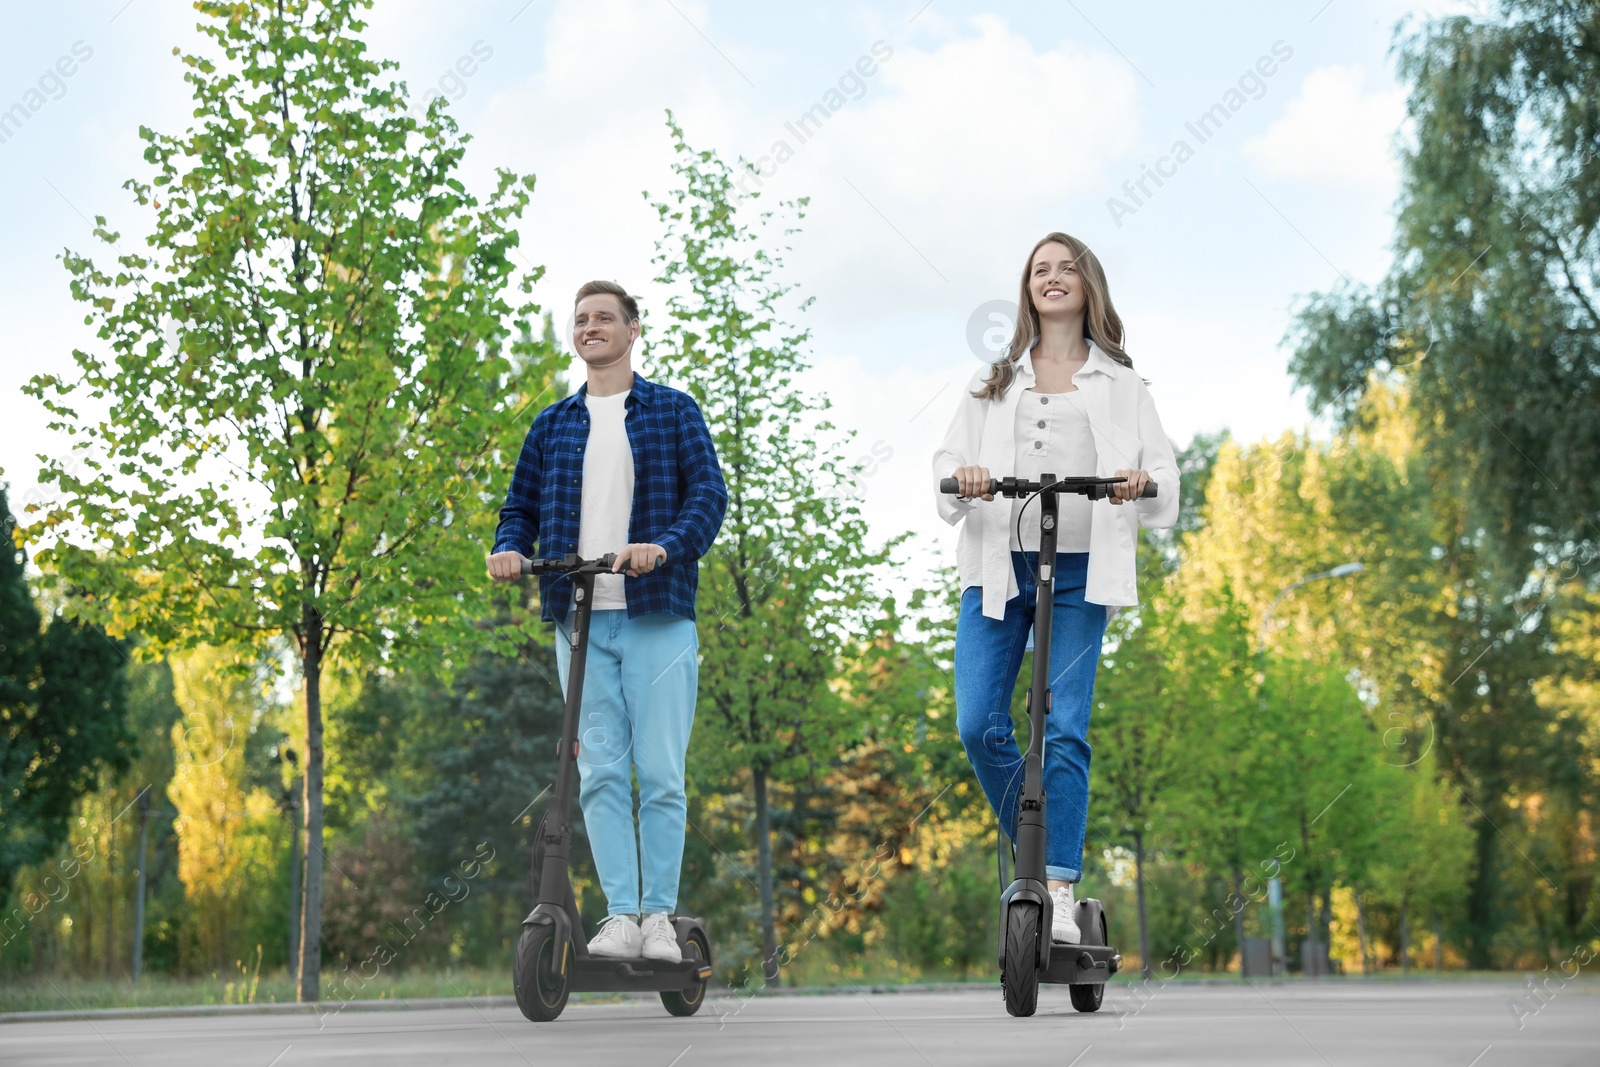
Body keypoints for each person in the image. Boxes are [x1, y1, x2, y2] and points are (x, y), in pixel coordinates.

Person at [932, 232, 1179, 945]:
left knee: (1065, 725)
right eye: (1040, 269)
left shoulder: (1125, 385)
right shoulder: (995, 379)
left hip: (1079, 567)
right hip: (999, 563)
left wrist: (1140, 482)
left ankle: (1059, 884)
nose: (1053, 277)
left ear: (1088, 284)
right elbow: (949, 460)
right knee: (979, 722)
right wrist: (968, 476)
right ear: (1026, 289)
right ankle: (1037, 837)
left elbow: (1165, 476)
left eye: (1066, 267)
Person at [488, 280, 727, 963]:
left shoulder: (673, 412)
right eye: (581, 319)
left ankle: (659, 916)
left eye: (603, 318)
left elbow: (709, 494)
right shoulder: (552, 424)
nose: (590, 327)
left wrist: (667, 545)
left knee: (658, 772)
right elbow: (520, 508)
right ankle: (620, 911)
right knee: (596, 773)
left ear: (632, 329)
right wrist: (510, 547)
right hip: (580, 618)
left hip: (656, 616)